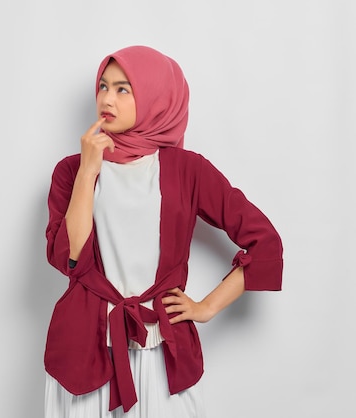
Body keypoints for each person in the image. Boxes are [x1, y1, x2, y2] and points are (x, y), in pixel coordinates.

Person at [43, 45, 283, 418]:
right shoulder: (70, 172)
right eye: (103, 86)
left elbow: (265, 243)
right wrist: (89, 171)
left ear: (156, 96)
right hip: (85, 356)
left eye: (123, 89)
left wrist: (206, 307)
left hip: (163, 352)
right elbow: (69, 258)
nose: (107, 98)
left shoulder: (188, 170)